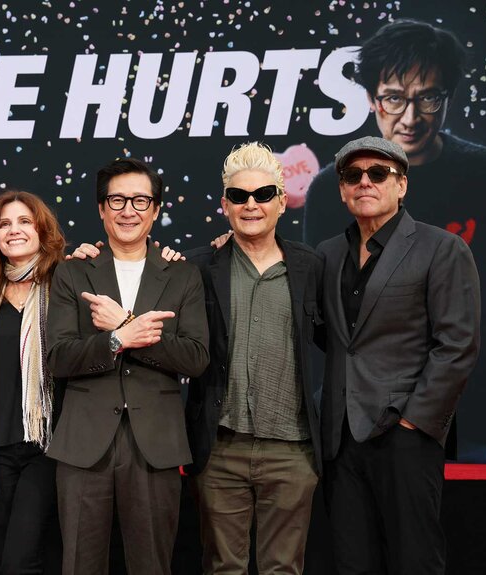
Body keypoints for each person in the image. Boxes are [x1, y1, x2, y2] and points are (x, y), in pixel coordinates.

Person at [303, 18, 486, 462]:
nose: (410, 118)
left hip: (467, 409)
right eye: (393, 98)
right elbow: (318, 310)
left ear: (448, 97)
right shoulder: (336, 186)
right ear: (371, 98)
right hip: (361, 412)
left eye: (428, 98)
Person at [317, 136, 480, 574]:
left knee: (414, 559)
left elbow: (458, 344)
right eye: (353, 175)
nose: (365, 182)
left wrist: (414, 423)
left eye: (379, 173)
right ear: (341, 189)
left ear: (402, 184)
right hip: (340, 437)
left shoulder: (441, 248)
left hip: (405, 435)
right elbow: (323, 335)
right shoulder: (327, 254)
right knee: (351, 561)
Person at [45, 157, 209, 574]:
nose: (128, 210)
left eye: (140, 200)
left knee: (152, 565)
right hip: (84, 443)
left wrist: (126, 326)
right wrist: (118, 339)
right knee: (80, 564)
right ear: (101, 209)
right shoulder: (72, 272)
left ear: (155, 210)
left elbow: (195, 357)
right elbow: (58, 358)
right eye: (116, 200)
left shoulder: (182, 274)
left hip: (155, 442)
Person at [184, 143, 323, 574]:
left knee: (284, 568)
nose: (251, 204)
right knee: (223, 567)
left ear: (282, 201)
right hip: (220, 446)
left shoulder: (312, 266)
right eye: (240, 196)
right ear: (225, 205)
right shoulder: (198, 267)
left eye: (263, 194)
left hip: (293, 448)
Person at [0, 190, 65, 574]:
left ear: (42, 231)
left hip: (46, 448)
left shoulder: (64, 285)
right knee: (0, 557)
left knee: (23, 558)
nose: (13, 230)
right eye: (4, 223)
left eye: (24, 221)